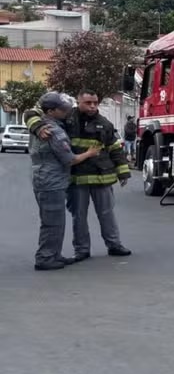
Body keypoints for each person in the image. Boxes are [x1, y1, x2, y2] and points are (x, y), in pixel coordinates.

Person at [25, 89, 132, 261]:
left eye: (95, 103)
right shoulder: (66, 117)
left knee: (107, 213)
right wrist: (36, 126)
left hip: (101, 177)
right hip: (77, 177)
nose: (92, 106)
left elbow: (114, 149)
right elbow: (34, 112)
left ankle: (114, 245)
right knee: (79, 216)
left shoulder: (104, 123)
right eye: (88, 102)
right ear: (78, 102)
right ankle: (82, 249)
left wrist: (123, 172)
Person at [29, 92, 101, 271]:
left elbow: (30, 113)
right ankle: (45, 258)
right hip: (51, 182)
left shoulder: (41, 126)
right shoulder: (53, 131)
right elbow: (70, 160)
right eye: (63, 110)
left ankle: (54, 254)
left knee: (55, 220)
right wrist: (89, 153)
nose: (67, 112)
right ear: (51, 111)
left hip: (44, 178)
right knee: (52, 221)